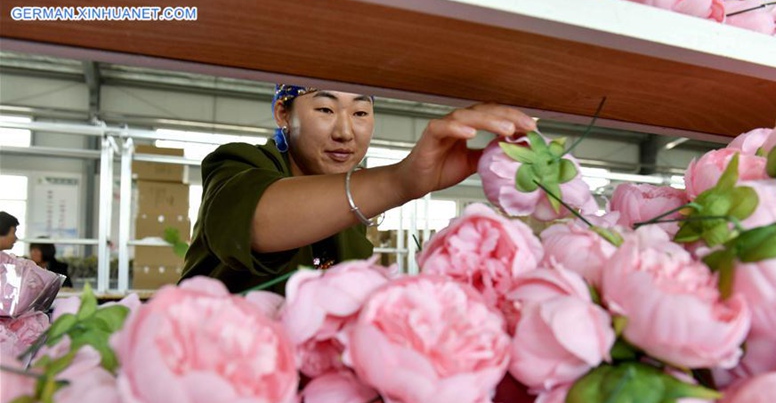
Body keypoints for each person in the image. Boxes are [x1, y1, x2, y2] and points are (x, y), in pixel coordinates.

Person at [181, 85, 536, 294]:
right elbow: (259, 221)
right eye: (325, 108)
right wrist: (400, 181)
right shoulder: (238, 163)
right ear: (283, 114)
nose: (345, 132)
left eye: (361, 113)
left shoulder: (351, 211)